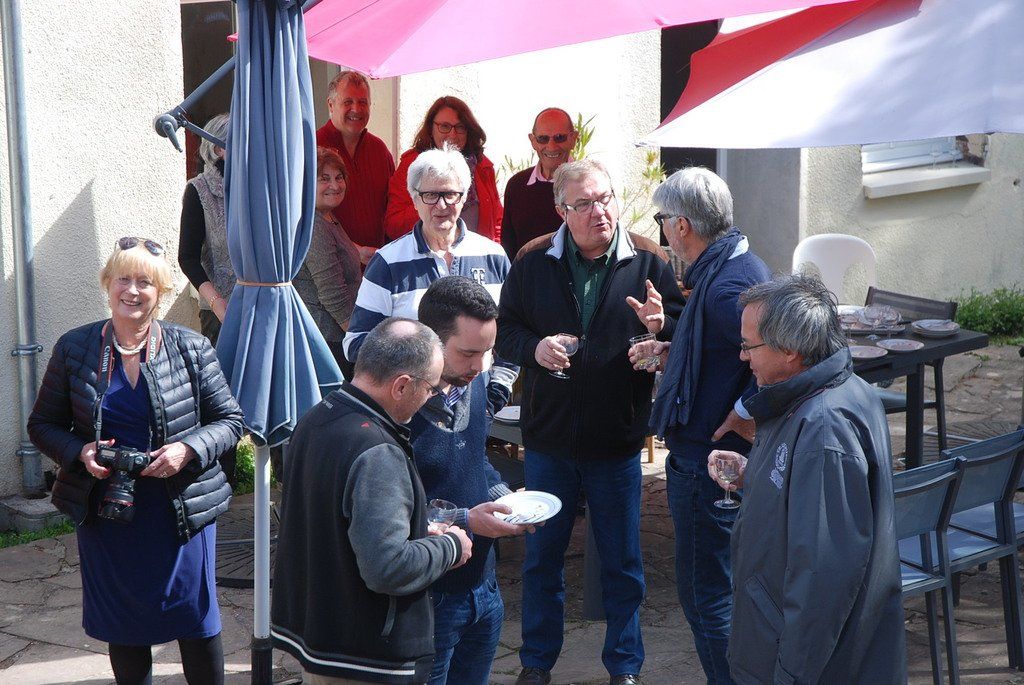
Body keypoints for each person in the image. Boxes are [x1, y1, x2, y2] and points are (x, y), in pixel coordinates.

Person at [496, 158, 685, 685]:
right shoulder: (533, 260)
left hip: (616, 438)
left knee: (623, 562)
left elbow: (680, 330)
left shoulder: (648, 260)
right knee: (542, 558)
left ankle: (624, 667)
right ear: (563, 210)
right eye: (584, 203)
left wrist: (662, 329)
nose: (599, 211)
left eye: (605, 198)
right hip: (549, 439)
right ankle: (536, 662)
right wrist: (535, 349)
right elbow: (506, 331)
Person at [28, 238, 245, 685]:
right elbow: (43, 425)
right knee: (124, 624)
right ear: (107, 284)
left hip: (181, 509)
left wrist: (188, 450)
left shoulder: (191, 348)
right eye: (123, 279)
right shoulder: (75, 348)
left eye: (144, 282)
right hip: (109, 511)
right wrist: (80, 452)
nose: (132, 290)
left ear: (160, 291)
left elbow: (230, 421)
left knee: (196, 620)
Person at [706, 274, 906, 684]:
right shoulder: (825, 391)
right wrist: (754, 474)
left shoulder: (823, 426)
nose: (742, 356)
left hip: (806, 662)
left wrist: (791, 675)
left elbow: (822, 576)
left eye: (749, 346)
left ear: (791, 351)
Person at [271, 318, 473, 685]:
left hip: (320, 640)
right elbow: (388, 568)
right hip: (363, 660)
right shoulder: (377, 451)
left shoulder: (317, 416)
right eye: (430, 388)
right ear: (401, 386)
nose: (432, 397)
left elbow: (337, 523)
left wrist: (415, 530)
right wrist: (450, 546)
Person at [628, 168, 770, 685]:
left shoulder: (729, 285)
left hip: (708, 460)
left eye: (662, 221)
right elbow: (730, 353)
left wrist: (747, 412)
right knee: (722, 587)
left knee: (706, 594)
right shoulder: (733, 263)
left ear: (682, 224)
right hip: (710, 454)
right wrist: (675, 348)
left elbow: (783, 359)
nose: (663, 231)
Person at [412, 276, 534, 685]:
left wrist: (507, 502)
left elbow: (474, 457)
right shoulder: (399, 409)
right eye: (468, 353)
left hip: (484, 586)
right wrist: (468, 520)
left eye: (487, 352)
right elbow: (391, 512)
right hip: (429, 597)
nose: (480, 367)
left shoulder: (472, 381)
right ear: (430, 342)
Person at [344, 144, 516, 409]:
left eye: (450, 194)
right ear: (414, 199)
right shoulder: (388, 262)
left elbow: (511, 331)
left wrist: (497, 391)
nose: (441, 205)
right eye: (430, 195)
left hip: (476, 404)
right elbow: (356, 344)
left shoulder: (493, 256)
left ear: (464, 197)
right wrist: (417, 354)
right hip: (409, 408)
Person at [385, 96, 502, 242]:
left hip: (477, 254)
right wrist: (430, 199)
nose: (452, 134)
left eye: (460, 127)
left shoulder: (482, 166)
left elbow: (497, 221)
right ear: (431, 129)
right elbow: (393, 225)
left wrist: (493, 251)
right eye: (445, 126)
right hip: (426, 253)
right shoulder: (412, 166)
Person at [293, 146, 366, 379]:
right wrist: (361, 341)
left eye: (339, 177)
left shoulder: (327, 217)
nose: (335, 185)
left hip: (335, 338)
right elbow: (333, 295)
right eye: (324, 179)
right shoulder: (315, 227)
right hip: (328, 342)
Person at [316, 70, 395, 248]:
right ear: (331, 105)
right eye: (348, 102)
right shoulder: (313, 149)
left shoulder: (379, 150)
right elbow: (305, 216)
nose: (356, 109)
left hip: (376, 259)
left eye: (362, 102)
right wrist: (353, 250)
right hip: (330, 259)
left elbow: (392, 207)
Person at [178, 112, 234, 344]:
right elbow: (187, 257)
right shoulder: (199, 190)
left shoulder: (258, 188)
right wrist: (216, 302)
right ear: (219, 149)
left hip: (263, 305)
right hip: (220, 312)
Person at [500, 108, 577, 259]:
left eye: (560, 138)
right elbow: (508, 247)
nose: (551, 146)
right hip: (526, 273)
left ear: (573, 139)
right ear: (533, 141)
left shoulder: (587, 186)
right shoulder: (516, 185)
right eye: (543, 139)